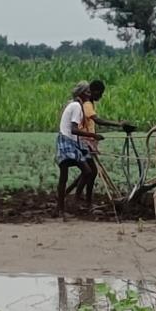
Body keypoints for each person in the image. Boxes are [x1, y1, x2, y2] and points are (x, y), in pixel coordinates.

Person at [70, 79, 134, 205]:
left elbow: (92, 122)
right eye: (100, 93)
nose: (101, 96)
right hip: (84, 142)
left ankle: (75, 195)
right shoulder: (87, 104)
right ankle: (82, 200)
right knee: (91, 172)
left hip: (88, 141)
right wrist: (119, 124)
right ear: (94, 92)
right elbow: (97, 120)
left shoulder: (89, 104)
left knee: (87, 172)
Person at [55, 82, 101, 216]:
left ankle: (60, 208)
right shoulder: (76, 106)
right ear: (81, 93)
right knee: (87, 171)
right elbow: (74, 130)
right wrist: (93, 135)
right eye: (87, 92)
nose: (89, 94)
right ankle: (71, 203)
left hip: (70, 141)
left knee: (68, 176)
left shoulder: (75, 105)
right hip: (68, 142)